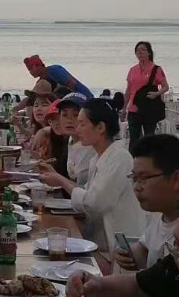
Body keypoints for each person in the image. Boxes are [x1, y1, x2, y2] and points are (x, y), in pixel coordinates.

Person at [38, 98, 144, 260]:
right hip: (99, 243)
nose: (77, 129)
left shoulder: (120, 158)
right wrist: (57, 178)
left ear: (100, 127)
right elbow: (86, 194)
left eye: (82, 123)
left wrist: (60, 180)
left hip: (120, 253)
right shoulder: (98, 158)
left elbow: (93, 203)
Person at [114, 134, 179, 271]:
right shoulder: (160, 213)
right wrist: (128, 255)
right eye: (134, 178)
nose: (136, 187)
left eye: (143, 178)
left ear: (175, 179)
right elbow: (144, 247)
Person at [122, 41, 169, 143]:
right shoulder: (133, 70)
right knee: (134, 139)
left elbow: (165, 87)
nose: (140, 52)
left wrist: (156, 94)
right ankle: (134, 154)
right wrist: (124, 108)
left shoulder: (156, 69)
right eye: (137, 51)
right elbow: (128, 90)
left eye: (143, 50)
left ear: (149, 52)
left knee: (149, 138)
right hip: (133, 109)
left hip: (149, 108)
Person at [56, 92, 96, 187]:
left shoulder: (93, 147)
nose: (69, 120)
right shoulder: (70, 140)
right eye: (64, 115)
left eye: (75, 115)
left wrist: (58, 179)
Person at [23, 55, 93, 100]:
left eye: (30, 69)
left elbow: (72, 84)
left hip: (84, 97)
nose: (30, 72)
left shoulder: (54, 70)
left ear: (38, 66)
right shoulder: (41, 80)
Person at [30, 100, 70, 178]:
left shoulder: (78, 142)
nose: (56, 123)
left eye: (58, 118)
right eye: (52, 120)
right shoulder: (57, 139)